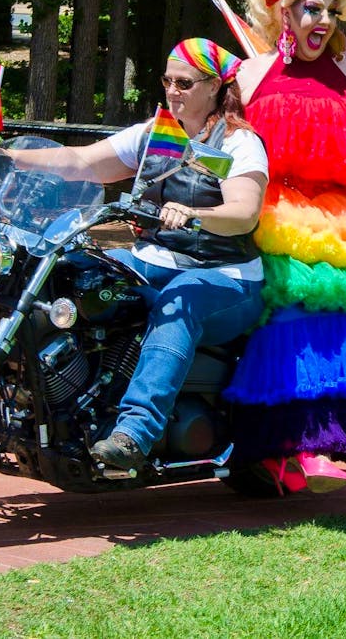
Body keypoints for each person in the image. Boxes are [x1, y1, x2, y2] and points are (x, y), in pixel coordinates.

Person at [222, 0, 346, 494]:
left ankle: (323, 438)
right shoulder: (251, 73)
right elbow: (227, 150)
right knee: (288, 315)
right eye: (309, 8)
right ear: (282, 9)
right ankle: (279, 447)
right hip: (272, 214)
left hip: (344, 219)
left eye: (331, 10)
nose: (321, 20)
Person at [63, 38, 267, 470]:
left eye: (185, 82)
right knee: (68, 254)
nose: (173, 90)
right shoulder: (157, 133)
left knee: (182, 300)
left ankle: (134, 434)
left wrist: (194, 212)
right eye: (168, 81)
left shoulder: (235, 143)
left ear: (213, 87)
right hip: (156, 253)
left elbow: (244, 213)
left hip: (226, 275)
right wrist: (6, 156)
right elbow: (82, 162)